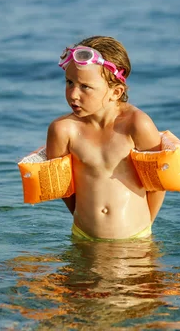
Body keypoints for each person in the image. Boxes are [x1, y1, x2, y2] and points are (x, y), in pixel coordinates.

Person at [46, 36, 166, 241]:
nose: (73, 94)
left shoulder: (137, 125)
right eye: (69, 82)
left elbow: (157, 185)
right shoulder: (62, 130)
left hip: (135, 239)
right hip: (84, 236)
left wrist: (144, 227)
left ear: (116, 92)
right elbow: (65, 189)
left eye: (85, 87)